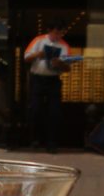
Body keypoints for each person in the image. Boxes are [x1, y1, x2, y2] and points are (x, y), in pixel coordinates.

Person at [23, 19, 71, 152]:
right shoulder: (38, 40)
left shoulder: (64, 46)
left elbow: (68, 68)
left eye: (61, 33)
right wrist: (38, 54)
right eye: (56, 32)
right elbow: (26, 58)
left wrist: (59, 63)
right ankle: (34, 139)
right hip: (37, 78)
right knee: (35, 109)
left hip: (53, 79)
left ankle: (52, 143)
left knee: (54, 112)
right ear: (50, 30)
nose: (58, 36)